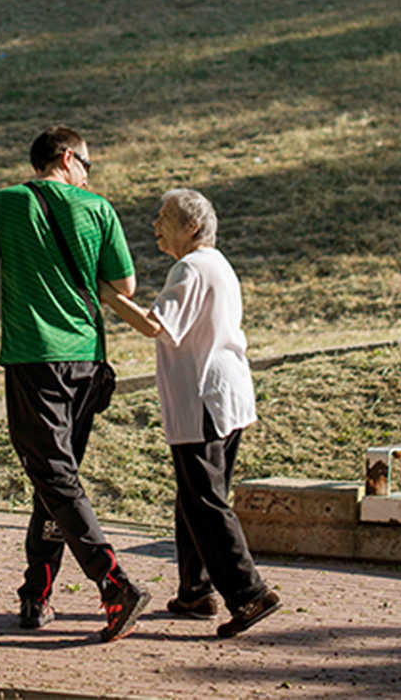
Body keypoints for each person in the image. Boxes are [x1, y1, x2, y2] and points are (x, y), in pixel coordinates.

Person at [0, 125, 151, 642]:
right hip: (87, 364)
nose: (88, 175)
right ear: (67, 159)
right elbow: (125, 285)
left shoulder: (1, 205)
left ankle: (113, 583)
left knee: (54, 478)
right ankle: (36, 594)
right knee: (55, 480)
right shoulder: (98, 209)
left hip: (32, 362)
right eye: (87, 165)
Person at [99, 188, 281, 639]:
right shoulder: (217, 264)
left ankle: (249, 593)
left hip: (202, 396)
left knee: (204, 501)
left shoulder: (191, 266)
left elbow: (156, 326)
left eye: (165, 217)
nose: (155, 225)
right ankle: (195, 590)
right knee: (195, 496)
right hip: (227, 393)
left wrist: (104, 292)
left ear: (192, 228)